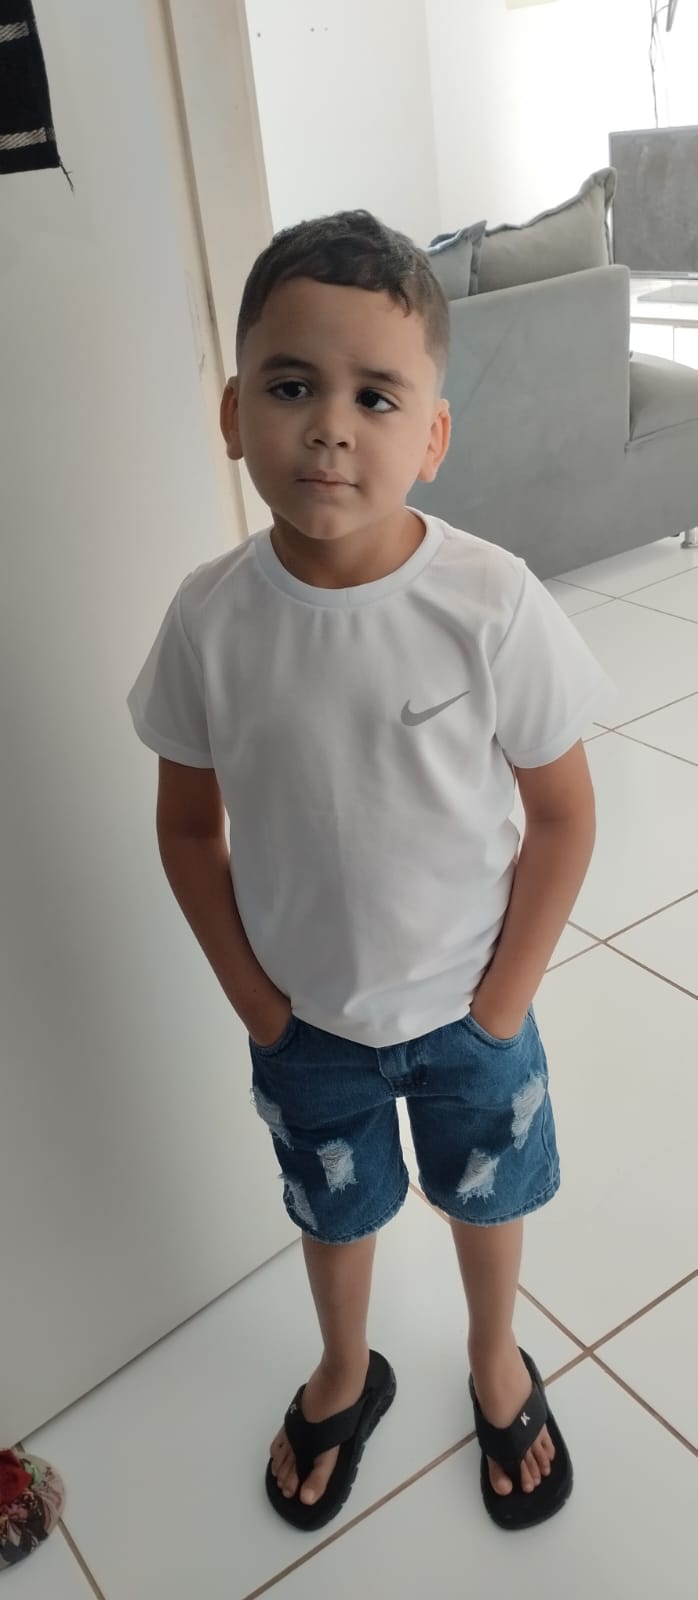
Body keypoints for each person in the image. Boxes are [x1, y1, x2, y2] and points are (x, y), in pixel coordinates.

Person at [127, 210, 606, 1536]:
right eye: (291, 387)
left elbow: (563, 816)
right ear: (235, 414)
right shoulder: (209, 622)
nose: (330, 428)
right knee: (333, 1217)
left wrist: (502, 1006)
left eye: (374, 397)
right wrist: (258, 1006)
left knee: (485, 1198)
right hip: (309, 1029)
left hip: (469, 1017)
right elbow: (187, 829)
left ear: (431, 436)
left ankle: (494, 1355)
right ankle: (346, 1365)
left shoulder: (490, 602)